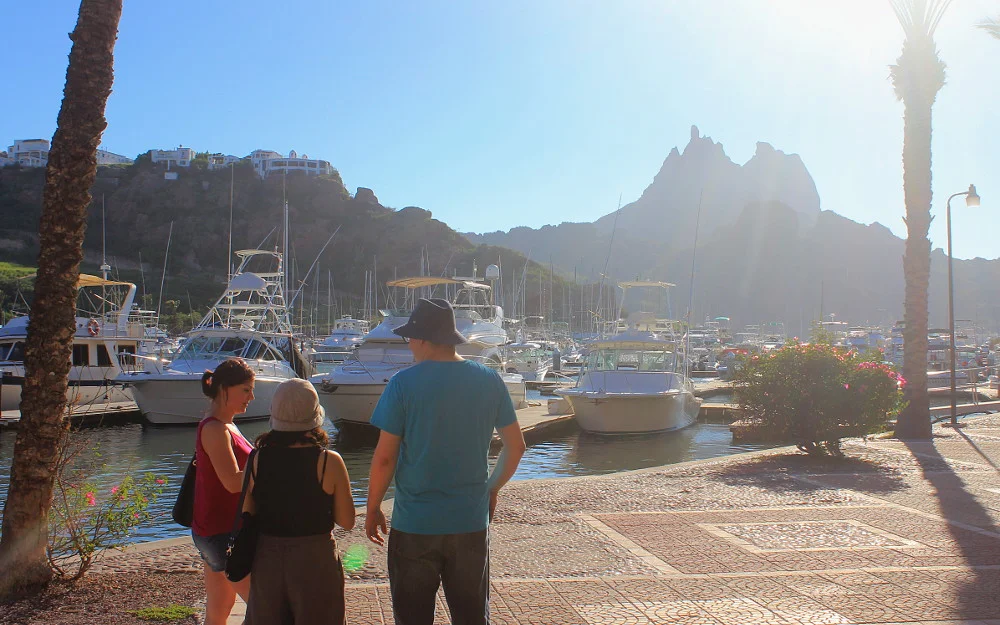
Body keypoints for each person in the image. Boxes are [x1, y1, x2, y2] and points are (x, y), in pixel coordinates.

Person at [365, 298, 526, 625]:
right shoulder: (488, 379)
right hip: (468, 521)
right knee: (471, 618)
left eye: (409, 336)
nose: (408, 342)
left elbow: (384, 458)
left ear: (423, 339)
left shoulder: (403, 384)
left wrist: (372, 508)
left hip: (414, 524)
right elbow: (516, 446)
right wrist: (492, 489)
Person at [243, 378, 355, 625]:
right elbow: (347, 521)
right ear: (314, 416)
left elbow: (247, 513)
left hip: (268, 558)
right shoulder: (328, 461)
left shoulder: (257, 458)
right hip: (315, 559)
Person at [192, 358, 256, 625]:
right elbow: (232, 482)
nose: (251, 397)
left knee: (219, 607)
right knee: (263, 607)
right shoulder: (216, 428)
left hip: (215, 529)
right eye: (245, 389)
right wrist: (271, 466)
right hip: (222, 533)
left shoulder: (227, 424)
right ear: (223, 389)